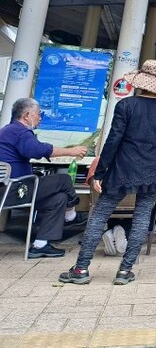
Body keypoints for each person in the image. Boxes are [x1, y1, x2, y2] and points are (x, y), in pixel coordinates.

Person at [58, 60, 156, 286]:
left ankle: (81, 269)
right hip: (154, 172)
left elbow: (113, 141)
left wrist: (100, 172)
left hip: (123, 169)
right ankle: (125, 271)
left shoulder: (126, 106)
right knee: (142, 217)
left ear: (140, 82)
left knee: (100, 213)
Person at [0, 98, 88, 258]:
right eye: (38, 114)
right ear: (27, 115)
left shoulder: (8, 130)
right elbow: (37, 150)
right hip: (16, 190)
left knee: (58, 198)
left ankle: (40, 245)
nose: (40, 118)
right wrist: (71, 151)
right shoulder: (19, 131)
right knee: (64, 180)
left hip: (11, 191)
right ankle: (71, 215)